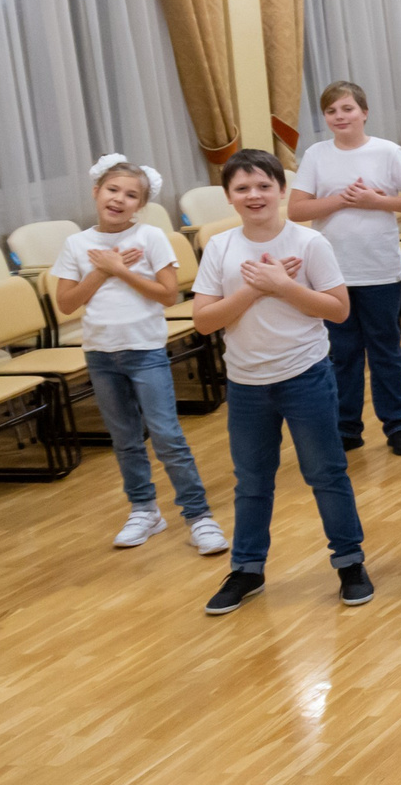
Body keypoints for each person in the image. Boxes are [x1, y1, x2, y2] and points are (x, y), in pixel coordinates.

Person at [194, 150, 371, 616]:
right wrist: (257, 288)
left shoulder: (310, 244)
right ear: (229, 197)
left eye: (263, 185)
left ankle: (350, 563)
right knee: (251, 482)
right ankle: (247, 569)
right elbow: (205, 322)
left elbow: (337, 310)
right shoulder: (220, 247)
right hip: (246, 383)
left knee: (326, 473)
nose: (254, 195)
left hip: (305, 376)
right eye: (242, 188)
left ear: (280, 190)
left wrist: (284, 286)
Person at [55, 156, 223, 555]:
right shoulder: (76, 244)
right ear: (96, 192)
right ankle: (144, 510)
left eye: (131, 195)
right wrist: (103, 270)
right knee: (125, 439)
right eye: (113, 190)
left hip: (145, 350)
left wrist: (122, 269)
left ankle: (199, 517)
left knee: (167, 436)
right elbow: (66, 303)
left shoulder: (150, 237)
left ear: (140, 205)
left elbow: (168, 294)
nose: (119, 199)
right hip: (101, 355)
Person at [288, 81, 401, 454]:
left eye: (347, 109)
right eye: (332, 111)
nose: (340, 117)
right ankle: (346, 426)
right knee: (343, 352)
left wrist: (374, 202)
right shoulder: (316, 154)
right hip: (332, 273)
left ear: (364, 112)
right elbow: (296, 210)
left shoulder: (387, 152)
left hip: (379, 267)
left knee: (385, 349)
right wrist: (338, 201)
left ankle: (397, 425)